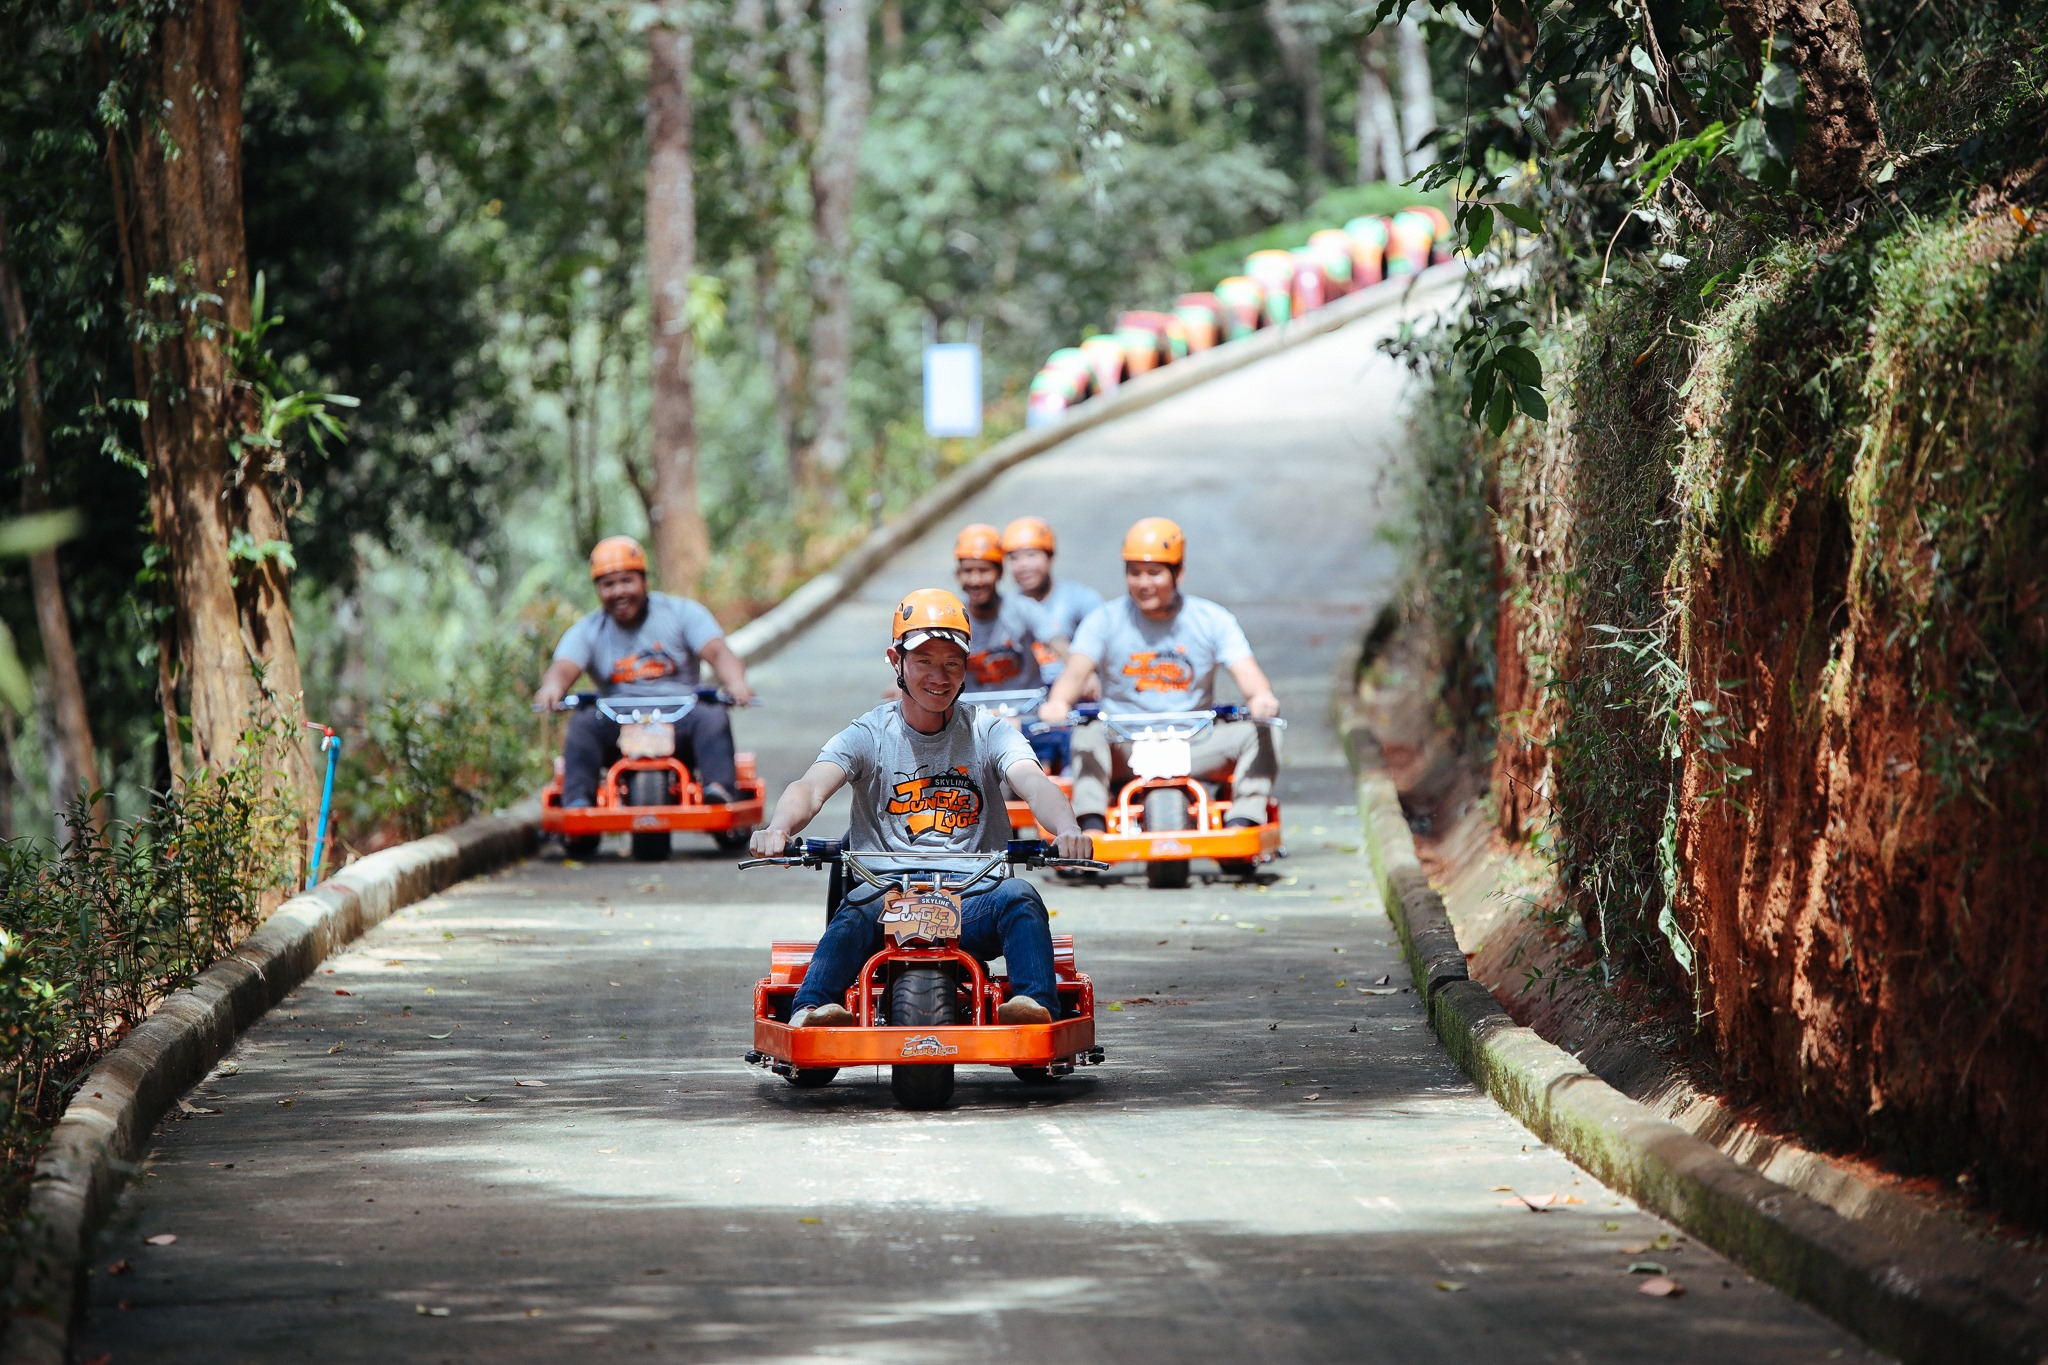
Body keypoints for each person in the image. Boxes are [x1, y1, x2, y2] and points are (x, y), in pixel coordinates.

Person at [750, 589, 1093, 1028]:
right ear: (896, 661)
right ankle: (813, 1010)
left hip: (973, 901)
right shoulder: (869, 733)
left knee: (1020, 896)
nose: (939, 675)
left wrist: (1066, 828)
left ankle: (1033, 1008)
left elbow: (1033, 782)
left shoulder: (989, 731)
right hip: (886, 898)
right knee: (855, 907)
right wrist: (778, 828)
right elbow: (811, 787)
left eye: (952, 662)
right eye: (925, 660)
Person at [1039, 517, 1281, 830]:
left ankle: (1244, 817)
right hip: (1123, 743)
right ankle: (1089, 823)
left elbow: (1249, 675)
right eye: (1135, 573)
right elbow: (1073, 677)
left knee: (1264, 729)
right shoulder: (1104, 620)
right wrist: (1058, 703)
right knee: (1086, 732)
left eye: (1154, 573)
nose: (1144, 583)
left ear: (1178, 573)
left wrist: (1262, 698)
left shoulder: (1212, 619)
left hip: (1196, 741)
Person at [533, 536, 756, 807]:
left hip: (681, 719)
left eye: (627, 581)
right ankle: (578, 801)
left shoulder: (681, 614)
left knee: (711, 714)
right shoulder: (588, 630)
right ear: (598, 590)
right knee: (583, 722)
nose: (619, 592)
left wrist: (736, 683)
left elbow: (719, 653)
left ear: (644, 581)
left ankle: (719, 790)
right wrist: (552, 688)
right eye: (608, 584)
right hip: (617, 724)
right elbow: (563, 668)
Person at [952, 523, 1056, 693]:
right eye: (968, 571)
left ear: (999, 572)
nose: (976, 580)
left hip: (1025, 712)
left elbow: (1059, 643)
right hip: (973, 715)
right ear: (958, 574)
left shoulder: (1022, 608)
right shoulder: (950, 616)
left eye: (984, 571)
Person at [999, 517, 1103, 686]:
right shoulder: (1007, 608)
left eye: (1031, 555)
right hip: (1027, 696)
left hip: (1077, 691)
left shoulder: (1082, 599)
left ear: (1050, 557)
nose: (1023, 564)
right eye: (1015, 558)